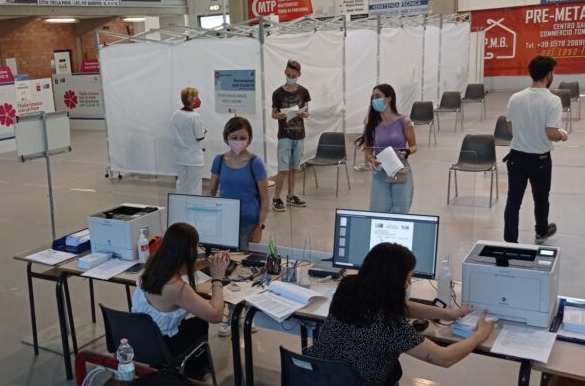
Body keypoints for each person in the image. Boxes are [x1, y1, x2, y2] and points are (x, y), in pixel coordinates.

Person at [306, 242, 495, 386]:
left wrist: (448, 314)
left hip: (316, 376)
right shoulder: (390, 324)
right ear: (397, 280)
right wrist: (480, 334)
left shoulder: (347, 287)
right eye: (410, 276)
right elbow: (445, 358)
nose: (410, 283)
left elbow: (398, 306)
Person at [132, 223, 230, 380]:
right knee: (200, 324)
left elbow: (180, 268)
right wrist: (217, 277)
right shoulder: (177, 289)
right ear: (189, 253)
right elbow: (216, 315)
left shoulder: (153, 265)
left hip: (143, 338)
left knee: (194, 323)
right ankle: (192, 375)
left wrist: (207, 262)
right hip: (163, 347)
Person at [504, 55, 567, 244]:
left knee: (513, 201)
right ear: (549, 75)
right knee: (541, 199)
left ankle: (510, 242)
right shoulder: (552, 100)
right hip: (540, 160)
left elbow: (510, 128)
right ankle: (541, 232)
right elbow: (551, 133)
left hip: (516, 158)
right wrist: (562, 135)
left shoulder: (515, 98)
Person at [208, 117, 270, 250]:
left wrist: (260, 227)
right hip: (224, 221)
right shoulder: (219, 160)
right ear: (226, 138)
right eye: (234, 137)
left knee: (244, 259)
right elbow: (210, 193)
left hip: (248, 224)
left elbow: (265, 199)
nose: (238, 141)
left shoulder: (255, 163)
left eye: (243, 138)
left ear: (249, 138)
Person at [356, 84, 417, 213]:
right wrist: (371, 159)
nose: (374, 100)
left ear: (389, 98)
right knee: (378, 209)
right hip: (381, 171)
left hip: (400, 169)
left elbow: (414, 146)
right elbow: (368, 152)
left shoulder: (404, 121)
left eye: (378, 96)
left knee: (400, 209)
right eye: (373, 97)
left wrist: (407, 151)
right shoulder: (371, 125)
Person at [271, 60, 310, 212]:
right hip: (284, 135)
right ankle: (276, 198)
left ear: (299, 75)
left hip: (299, 134)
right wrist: (279, 115)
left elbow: (307, 111)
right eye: (288, 75)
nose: (290, 78)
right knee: (283, 169)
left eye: (293, 76)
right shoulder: (277, 93)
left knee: (294, 168)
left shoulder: (304, 91)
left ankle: (291, 195)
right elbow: (273, 114)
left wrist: (304, 114)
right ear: (285, 73)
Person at [171, 87, 206, 195]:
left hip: (180, 157)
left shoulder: (175, 114)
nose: (198, 100)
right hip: (193, 158)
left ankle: (180, 204)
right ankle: (193, 205)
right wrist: (204, 131)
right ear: (191, 99)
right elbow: (199, 137)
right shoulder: (195, 116)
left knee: (181, 185)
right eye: (196, 97)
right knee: (194, 188)